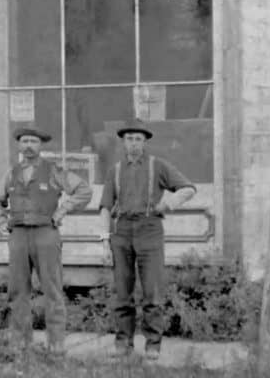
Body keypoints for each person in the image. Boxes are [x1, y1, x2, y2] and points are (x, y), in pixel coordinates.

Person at [98, 119, 195, 360]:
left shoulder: (157, 166)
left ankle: (153, 344)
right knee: (122, 292)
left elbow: (188, 188)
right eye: (130, 138)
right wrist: (104, 241)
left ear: (145, 142)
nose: (134, 143)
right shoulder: (115, 170)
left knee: (152, 291)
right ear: (123, 142)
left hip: (150, 230)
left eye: (138, 139)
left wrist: (167, 204)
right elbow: (104, 207)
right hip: (121, 232)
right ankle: (123, 344)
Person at [0, 125, 92, 354]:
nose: (28, 146)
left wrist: (62, 210)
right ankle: (20, 343)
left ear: (40, 145)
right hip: (18, 236)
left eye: (33, 142)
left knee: (52, 290)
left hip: (46, 234)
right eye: (24, 141)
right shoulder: (12, 172)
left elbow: (84, 190)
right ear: (19, 144)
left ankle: (56, 344)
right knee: (17, 291)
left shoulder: (54, 170)